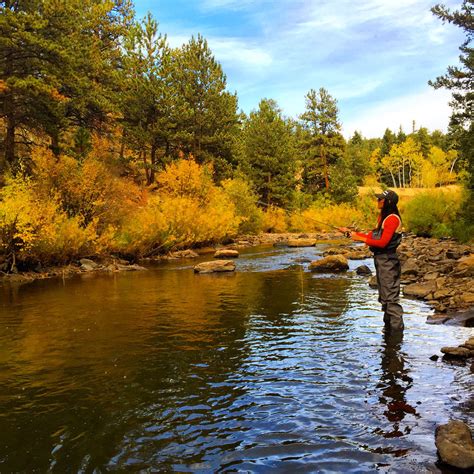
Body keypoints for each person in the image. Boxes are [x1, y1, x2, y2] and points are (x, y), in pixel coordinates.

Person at [343, 190, 404, 330]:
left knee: (390, 299)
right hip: (382, 261)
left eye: (380, 199)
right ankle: (388, 333)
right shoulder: (383, 217)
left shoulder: (392, 219)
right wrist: (350, 233)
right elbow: (371, 236)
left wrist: (360, 238)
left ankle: (396, 335)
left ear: (387, 202)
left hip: (388, 261)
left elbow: (382, 243)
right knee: (384, 298)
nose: (378, 201)